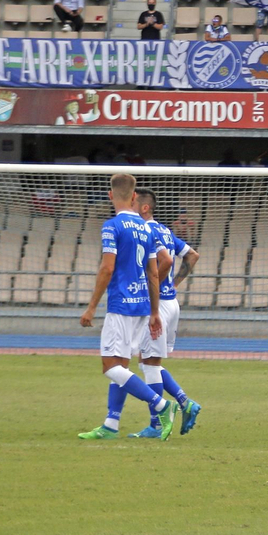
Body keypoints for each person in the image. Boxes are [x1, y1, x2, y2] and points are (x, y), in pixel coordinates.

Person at [75, 173, 177, 441]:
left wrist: (91, 307)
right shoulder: (146, 228)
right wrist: (155, 312)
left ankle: (161, 405)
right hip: (143, 307)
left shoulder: (112, 226)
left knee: (110, 366)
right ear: (134, 197)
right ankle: (111, 424)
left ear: (111, 195)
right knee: (121, 365)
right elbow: (154, 273)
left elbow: (107, 267)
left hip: (120, 304)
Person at [128, 188, 202, 438]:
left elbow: (167, 262)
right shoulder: (165, 230)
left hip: (158, 304)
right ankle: (185, 402)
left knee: (148, 364)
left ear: (144, 207)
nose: (129, 205)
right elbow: (192, 255)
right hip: (172, 303)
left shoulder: (145, 229)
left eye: (133, 202)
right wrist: (173, 284)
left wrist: (153, 289)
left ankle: (157, 424)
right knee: (149, 361)